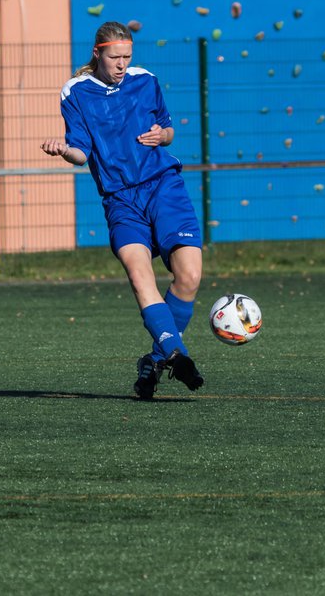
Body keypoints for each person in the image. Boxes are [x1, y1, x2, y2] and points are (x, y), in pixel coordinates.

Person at [41, 21, 205, 400]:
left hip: (164, 186)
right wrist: (63, 150)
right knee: (138, 273)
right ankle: (176, 354)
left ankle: (154, 359)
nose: (121, 64)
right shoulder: (76, 92)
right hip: (120, 199)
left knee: (190, 277)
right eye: (114, 57)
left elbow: (168, 130)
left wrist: (161, 136)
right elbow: (81, 153)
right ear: (97, 53)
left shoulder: (145, 79)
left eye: (127, 57)